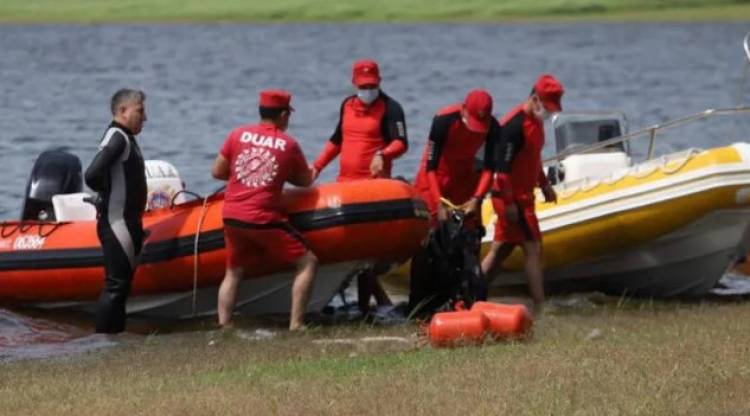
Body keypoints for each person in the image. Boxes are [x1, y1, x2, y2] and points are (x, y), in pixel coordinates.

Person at [211, 89, 316, 331]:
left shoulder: (237, 134)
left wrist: (244, 175)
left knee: (233, 272)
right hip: (263, 219)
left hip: (232, 216)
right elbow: (304, 181)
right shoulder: (288, 144)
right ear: (282, 115)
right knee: (308, 262)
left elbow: (217, 171)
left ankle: (224, 325)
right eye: (288, 114)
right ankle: (296, 324)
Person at [311, 59, 408, 314]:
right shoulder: (346, 105)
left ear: (379, 82)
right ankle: (376, 303)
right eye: (363, 86)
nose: (368, 91)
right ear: (354, 83)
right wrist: (317, 166)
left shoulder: (391, 108)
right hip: (346, 187)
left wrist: (383, 154)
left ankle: (366, 308)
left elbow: (401, 143)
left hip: (373, 190)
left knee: (367, 255)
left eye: (372, 86)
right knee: (352, 255)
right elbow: (337, 139)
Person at [408, 89, 504, 313]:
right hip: (435, 178)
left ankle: (467, 301)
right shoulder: (443, 121)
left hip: (467, 182)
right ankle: (419, 306)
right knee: (427, 239)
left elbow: (489, 169)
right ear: (463, 110)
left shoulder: (493, 128)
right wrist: (439, 202)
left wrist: (477, 199)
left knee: (470, 239)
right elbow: (431, 167)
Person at [480, 74, 564, 311]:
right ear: (535, 99)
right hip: (510, 198)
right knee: (532, 247)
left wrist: (544, 184)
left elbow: (533, 158)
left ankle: (473, 291)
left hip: (525, 197)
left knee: (501, 249)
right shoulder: (513, 126)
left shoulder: (536, 122)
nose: (548, 113)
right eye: (547, 107)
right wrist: (509, 204)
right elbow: (502, 172)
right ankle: (540, 305)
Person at [84, 89, 148, 334]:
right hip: (117, 222)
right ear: (122, 111)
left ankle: (115, 338)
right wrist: (106, 196)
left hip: (126, 221)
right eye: (140, 111)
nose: (145, 117)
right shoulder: (118, 137)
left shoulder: (126, 137)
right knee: (116, 285)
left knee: (121, 286)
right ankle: (105, 343)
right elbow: (91, 175)